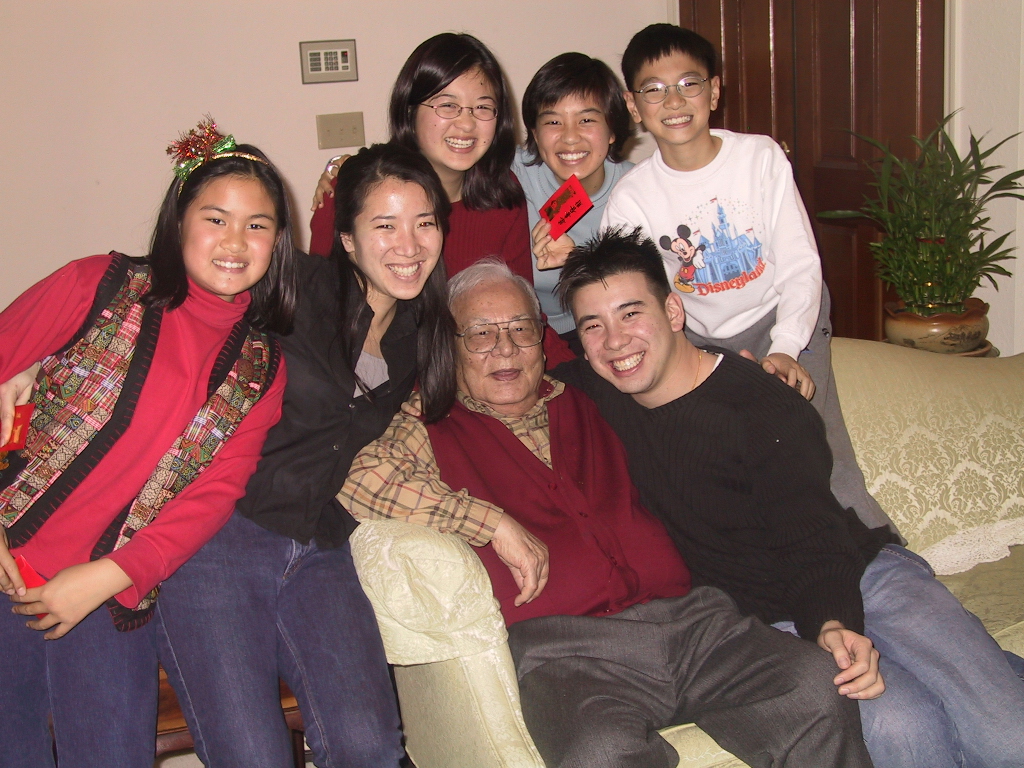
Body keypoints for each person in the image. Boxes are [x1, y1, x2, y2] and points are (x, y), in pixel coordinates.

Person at [340, 258, 874, 768]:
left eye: (521, 329)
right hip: (564, 656)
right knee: (599, 755)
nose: (504, 348)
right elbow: (356, 479)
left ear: (542, 339)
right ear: (450, 347)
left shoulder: (593, 393)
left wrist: (759, 371)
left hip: (693, 624)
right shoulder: (431, 420)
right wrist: (490, 523)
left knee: (811, 686)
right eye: (480, 333)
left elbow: (669, 368)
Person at [553, 227, 1024, 768]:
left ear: (674, 312)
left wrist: (830, 621)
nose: (616, 341)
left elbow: (811, 530)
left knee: (1008, 736)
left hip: (860, 574)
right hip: (763, 622)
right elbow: (510, 363)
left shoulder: (760, 404)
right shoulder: (599, 393)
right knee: (905, 730)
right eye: (595, 325)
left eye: (631, 314)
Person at [138, 142, 459, 768]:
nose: (409, 244)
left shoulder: (423, 334)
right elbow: (169, 291)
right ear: (345, 239)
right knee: (251, 755)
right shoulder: (289, 291)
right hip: (217, 540)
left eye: (425, 223)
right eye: (384, 225)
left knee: (370, 745)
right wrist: (31, 361)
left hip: (321, 548)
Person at [0, 119, 294, 767]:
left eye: (258, 225)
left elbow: (206, 504)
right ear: (179, 220)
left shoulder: (261, 369)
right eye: (215, 218)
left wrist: (106, 578)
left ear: (278, 240)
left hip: (107, 598)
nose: (235, 242)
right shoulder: (99, 285)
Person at [600, 23, 895, 533]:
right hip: (699, 336)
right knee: (725, 450)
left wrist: (785, 346)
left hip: (780, 315)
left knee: (813, 437)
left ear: (714, 90)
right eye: (654, 89)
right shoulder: (633, 196)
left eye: (689, 83)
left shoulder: (759, 157)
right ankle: (769, 552)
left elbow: (801, 263)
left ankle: (876, 541)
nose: (674, 100)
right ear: (633, 103)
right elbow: (630, 289)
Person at [310, 33, 576, 367]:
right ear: (410, 109)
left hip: (484, 367)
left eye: (482, 107)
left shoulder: (501, 196)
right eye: (447, 105)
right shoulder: (352, 192)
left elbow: (519, 311)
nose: (466, 124)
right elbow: (318, 324)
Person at [512, 52, 634, 352]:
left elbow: (640, 293)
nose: (570, 138)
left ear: (613, 131)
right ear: (535, 134)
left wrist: (578, 262)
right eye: (553, 121)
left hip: (601, 329)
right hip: (520, 332)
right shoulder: (510, 176)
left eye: (587, 120)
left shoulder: (635, 190)